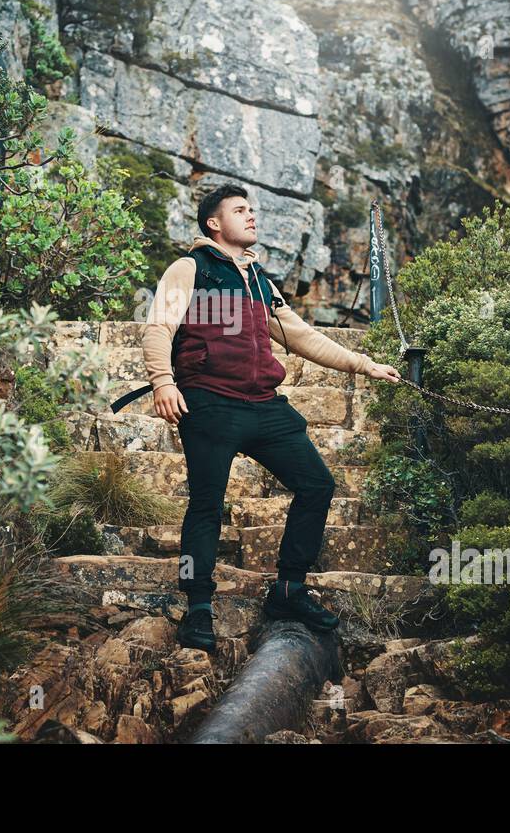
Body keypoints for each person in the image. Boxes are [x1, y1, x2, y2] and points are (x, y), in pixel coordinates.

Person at [141, 183, 402, 653]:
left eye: (252, 208)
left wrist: (364, 364)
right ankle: (198, 606)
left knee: (317, 484)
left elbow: (300, 335)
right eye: (240, 210)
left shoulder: (259, 278)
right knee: (207, 504)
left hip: (264, 404)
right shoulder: (190, 268)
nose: (252, 215)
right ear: (213, 223)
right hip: (209, 403)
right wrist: (164, 381)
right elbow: (159, 325)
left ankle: (288, 590)